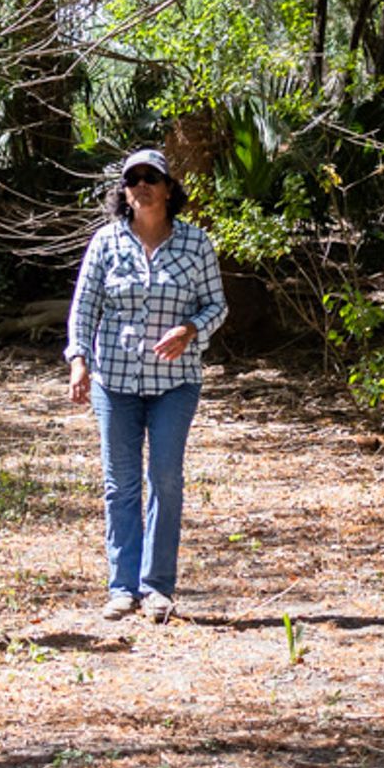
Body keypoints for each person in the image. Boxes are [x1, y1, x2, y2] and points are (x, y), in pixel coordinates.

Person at [64, 146, 226, 622]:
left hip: (176, 383)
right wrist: (79, 360)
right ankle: (122, 587)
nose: (142, 186)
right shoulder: (106, 242)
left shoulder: (196, 244)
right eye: (133, 179)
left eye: (151, 178)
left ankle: (157, 587)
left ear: (169, 189)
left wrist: (191, 329)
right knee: (120, 485)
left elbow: (217, 306)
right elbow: (84, 307)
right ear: (124, 192)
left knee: (165, 480)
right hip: (115, 381)